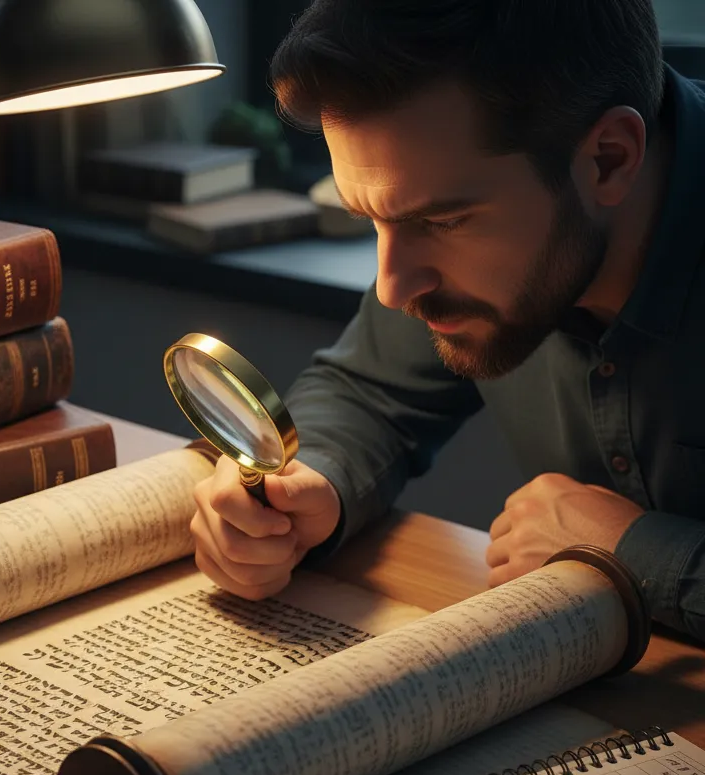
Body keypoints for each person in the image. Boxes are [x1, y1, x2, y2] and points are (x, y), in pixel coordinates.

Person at [190, 0, 705, 643]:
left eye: (440, 222)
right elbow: (367, 392)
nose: (391, 287)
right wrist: (309, 485)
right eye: (370, 220)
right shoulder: (468, 218)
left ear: (607, 159)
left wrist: (632, 554)